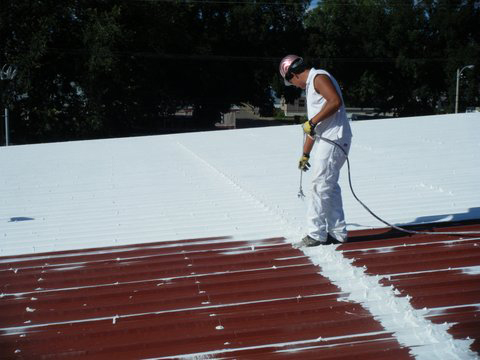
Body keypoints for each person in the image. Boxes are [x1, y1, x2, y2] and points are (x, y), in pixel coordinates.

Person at [279, 55, 352, 247]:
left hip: (335, 138)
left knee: (319, 185)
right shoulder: (312, 86)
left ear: (294, 74)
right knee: (329, 186)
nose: (294, 85)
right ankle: (337, 232)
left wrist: (312, 121)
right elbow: (313, 129)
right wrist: (305, 154)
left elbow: (335, 102)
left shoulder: (318, 77)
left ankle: (315, 234)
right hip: (331, 139)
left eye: (292, 82)